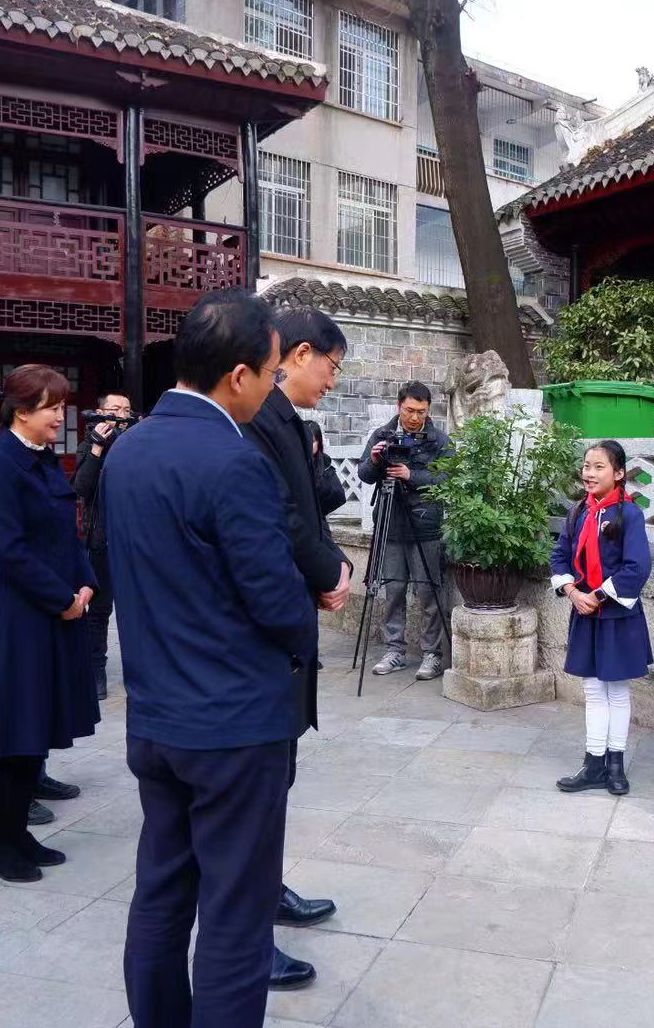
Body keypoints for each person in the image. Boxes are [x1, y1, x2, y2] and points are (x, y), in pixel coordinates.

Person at [105, 290, 316, 1028]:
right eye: (267, 372)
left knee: (162, 891)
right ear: (237, 375)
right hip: (230, 725)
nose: (270, 387)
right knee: (235, 911)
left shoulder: (126, 450)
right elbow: (278, 600)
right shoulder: (231, 460)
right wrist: (308, 615)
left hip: (157, 717)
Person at [0, 364, 99, 883]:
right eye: (51, 407)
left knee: (32, 727)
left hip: (50, 612)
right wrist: (62, 597)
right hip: (13, 618)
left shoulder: (40, 462)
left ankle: (19, 832)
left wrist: (84, 584)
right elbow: (7, 549)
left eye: (62, 406)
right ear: (20, 410)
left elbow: (68, 535)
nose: (61, 416)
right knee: (6, 733)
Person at [245, 306, 353, 989]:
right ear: (301, 353)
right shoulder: (259, 419)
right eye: (333, 367)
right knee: (254, 793)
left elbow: (316, 506)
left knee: (276, 782)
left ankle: (268, 890)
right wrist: (330, 573)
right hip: (264, 637)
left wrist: (329, 559)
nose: (333, 382)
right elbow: (282, 519)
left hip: (287, 630)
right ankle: (249, 927)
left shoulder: (294, 424)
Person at [550, 441, 654, 796]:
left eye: (598, 467)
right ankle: (593, 764)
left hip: (617, 614)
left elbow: (637, 567)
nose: (589, 473)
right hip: (585, 612)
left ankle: (615, 765)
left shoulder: (629, 514)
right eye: (586, 466)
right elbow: (560, 555)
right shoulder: (579, 511)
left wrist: (597, 595)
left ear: (619, 473)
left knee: (617, 691)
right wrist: (573, 593)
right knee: (593, 691)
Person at [357, 381, 452, 680]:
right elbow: (364, 473)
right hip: (390, 522)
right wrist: (375, 460)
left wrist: (413, 475)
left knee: (427, 591)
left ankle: (432, 655)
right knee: (394, 589)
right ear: (399, 406)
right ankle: (394, 650)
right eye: (409, 410)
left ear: (428, 410)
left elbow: (448, 478)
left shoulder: (438, 440)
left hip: (425, 525)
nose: (414, 417)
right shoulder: (383, 435)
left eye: (421, 411)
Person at [71, 389, 133, 701]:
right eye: (114, 409)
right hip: (102, 540)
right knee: (98, 611)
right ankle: (96, 669)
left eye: (125, 410)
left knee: (139, 608)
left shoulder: (138, 443)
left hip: (136, 541)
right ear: (99, 411)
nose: (120, 415)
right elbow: (81, 487)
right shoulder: (88, 445)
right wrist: (97, 446)